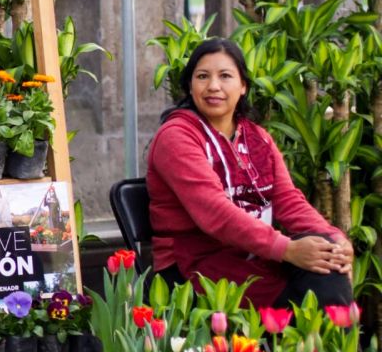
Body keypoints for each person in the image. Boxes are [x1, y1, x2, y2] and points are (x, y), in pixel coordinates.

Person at [146, 38, 353, 308]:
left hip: (252, 255)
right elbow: (215, 213)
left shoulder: (258, 138)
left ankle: (327, 347)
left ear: (243, 86)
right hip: (193, 265)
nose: (213, 86)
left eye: (225, 76)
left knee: (327, 258)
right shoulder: (176, 137)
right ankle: (330, 347)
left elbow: (288, 200)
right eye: (202, 76)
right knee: (317, 286)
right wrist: (287, 249)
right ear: (189, 85)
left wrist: (335, 239)